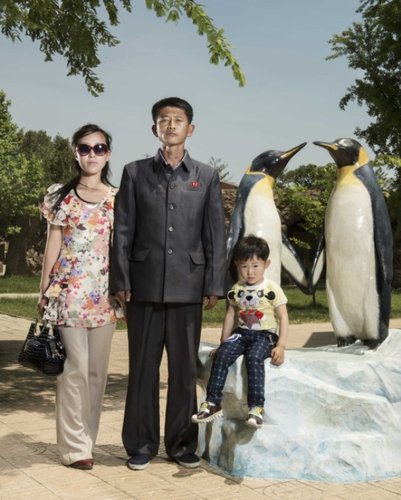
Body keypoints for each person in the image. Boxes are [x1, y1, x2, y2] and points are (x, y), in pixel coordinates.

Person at [111, 97, 226, 470]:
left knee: (182, 372)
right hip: (142, 288)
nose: (171, 125)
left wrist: (213, 283)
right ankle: (141, 445)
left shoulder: (206, 176)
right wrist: (121, 279)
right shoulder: (134, 172)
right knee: (142, 369)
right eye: (164, 120)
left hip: (189, 287)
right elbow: (123, 232)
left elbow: (214, 234)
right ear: (154, 129)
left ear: (190, 129)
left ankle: (181, 445)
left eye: (178, 120)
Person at [38, 124, 118, 470]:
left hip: (104, 297)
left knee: (98, 373)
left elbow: (120, 248)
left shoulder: (117, 198)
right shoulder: (59, 195)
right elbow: (52, 245)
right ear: (76, 153)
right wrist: (43, 291)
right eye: (85, 148)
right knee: (75, 371)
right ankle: (73, 449)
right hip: (67, 293)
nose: (92, 154)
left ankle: (88, 440)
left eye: (99, 148)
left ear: (108, 154)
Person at [192, 235, 289, 428]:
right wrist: (223, 343)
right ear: (237, 265)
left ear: (266, 263)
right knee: (224, 354)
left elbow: (283, 317)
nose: (250, 272)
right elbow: (230, 315)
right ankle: (212, 403)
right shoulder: (236, 289)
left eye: (255, 266)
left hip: (265, 335)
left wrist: (281, 345)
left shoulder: (271, 288)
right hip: (242, 333)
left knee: (254, 358)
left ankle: (256, 408)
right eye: (245, 266)